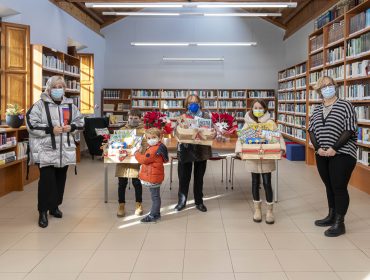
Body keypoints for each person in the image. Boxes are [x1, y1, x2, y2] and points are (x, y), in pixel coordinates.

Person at [26, 76, 84, 228]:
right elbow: (31, 125)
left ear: (64, 89)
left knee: (60, 180)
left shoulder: (70, 105)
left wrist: (71, 127)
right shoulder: (39, 105)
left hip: (64, 150)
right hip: (46, 149)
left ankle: (54, 207)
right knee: (47, 181)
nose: (58, 89)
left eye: (61, 86)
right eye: (55, 86)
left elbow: (80, 121)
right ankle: (43, 211)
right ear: (49, 88)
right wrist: (50, 130)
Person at [308, 76, 357, 237]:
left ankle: (339, 223)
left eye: (330, 85)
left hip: (342, 153)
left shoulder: (345, 105)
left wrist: (334, 148)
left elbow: (349, 129)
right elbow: (311, 130)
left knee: (339, 187)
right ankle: (331, 216)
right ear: (319, 91)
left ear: (335, 87)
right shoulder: (316, 109)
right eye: (324, 86)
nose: (327, 88)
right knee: (329, 186)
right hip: (322, 154)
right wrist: (318, 148)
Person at [235, 99, 286, 224]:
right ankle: (257, 209)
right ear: (252, 109)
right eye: (255, 108)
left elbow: (278, 136)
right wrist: (240, 151)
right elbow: (240, 138)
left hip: (267, 157)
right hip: (253, 158)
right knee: (254, 182)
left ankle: (269, 211)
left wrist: (282, 148)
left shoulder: (270, 123)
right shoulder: (248, 123)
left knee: (267, 183)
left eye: (260, 108)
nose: (258, 110)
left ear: (265, 109)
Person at [174, 94, 215, 212]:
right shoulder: (182, 117)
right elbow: (175, 132)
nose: (193, 104)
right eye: (190, 102)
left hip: (201, 150)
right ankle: (181, 201)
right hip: (185, 149)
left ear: (199, 104)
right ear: (186, 104)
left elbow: (212, 131)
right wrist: (179, 129)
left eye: (196, 102)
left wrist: (213, 133)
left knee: (199, 178)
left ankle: (199, 201)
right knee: (183, 177)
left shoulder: (206, 116)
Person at [135, 128, 168, 223]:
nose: (151, 139)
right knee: (155, 195)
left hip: (153, 176)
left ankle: (154, 215)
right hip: (155, 175)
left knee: (155, 197)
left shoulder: (153, 149)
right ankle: (156, 213)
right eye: (149, 138)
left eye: (153, 137)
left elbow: (144, 160)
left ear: (159, 137)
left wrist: (136, 153)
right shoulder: (159, 146)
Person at [115, 109, 144, 217]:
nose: (133, 120)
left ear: (140, 119)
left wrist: (142, 149)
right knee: (122, 184)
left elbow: (146, 145)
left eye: (135, 118)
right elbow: (116, 145)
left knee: (137, 183)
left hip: (137, 162)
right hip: (123, 162)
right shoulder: (122, 130)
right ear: (128, 118)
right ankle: (121, 205)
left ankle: (138, 204)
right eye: (131, 118)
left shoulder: (143, 131)